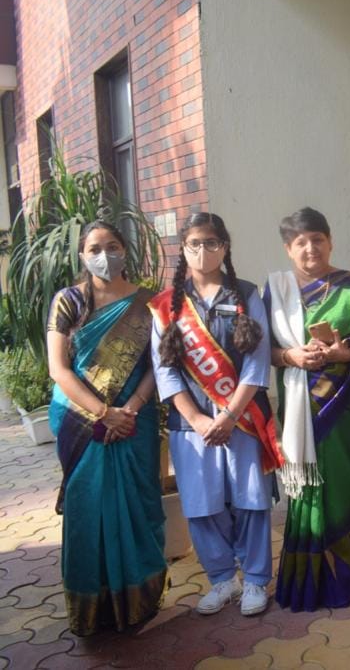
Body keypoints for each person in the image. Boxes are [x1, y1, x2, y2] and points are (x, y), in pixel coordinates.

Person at [264, 207, 350, 611]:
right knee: (308, 490)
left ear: (330, 241)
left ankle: (349, 577)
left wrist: (349, 352)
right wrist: (291, 356)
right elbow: (261, 352)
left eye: (318, 239)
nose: (311, 248)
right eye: (301, 242)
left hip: (348, 413)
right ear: (288, 249)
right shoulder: (276, 292)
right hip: (300, 412)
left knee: (348, 488)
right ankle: (308, 580)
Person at [149, 212, 282, 617]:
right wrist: (198, 420)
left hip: (243, 419)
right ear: (183, 249)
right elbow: (165, 372)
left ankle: (255, 580)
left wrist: (228, 415)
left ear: (225, 247)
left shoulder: (247, 294)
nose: (203, 251)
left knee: (251, 500)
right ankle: (223, 579)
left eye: (211, 242)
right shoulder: (166, 306)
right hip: (191, 426)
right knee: (202, 504)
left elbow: (257, 363)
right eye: (195, 243)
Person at [46, 220, 166, 636]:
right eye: (94, 249)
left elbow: (156, 365)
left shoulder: (149, 303)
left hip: (135, 419)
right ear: (82, 255)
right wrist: (103, 412)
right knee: (87, 507)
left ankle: (141, 599)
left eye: (112, 246)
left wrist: (128, 409)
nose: (104, 255)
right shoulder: (69, 301)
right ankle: (92, 608)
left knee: (139, 504)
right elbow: (58, 368)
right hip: (81, 419)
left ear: (125, 251)